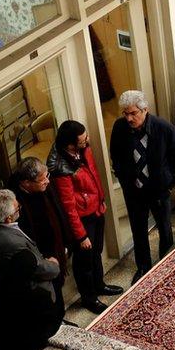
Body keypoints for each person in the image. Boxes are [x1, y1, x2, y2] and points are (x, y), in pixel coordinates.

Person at [0, 189, 62, 350]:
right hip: (27, 338)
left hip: (7, 347)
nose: (19, 210)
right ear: (8, 219)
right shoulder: (12, 244)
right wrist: (54, 266)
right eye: (17, 209)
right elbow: (42, 268)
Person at [109, 90, 175, 284]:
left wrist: (171, 182)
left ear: (145, 110)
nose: (129, 118)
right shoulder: (119, 128)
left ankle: (166, 265)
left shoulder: (162, 128)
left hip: (159, 190)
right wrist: (125, 180)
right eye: (125, 113)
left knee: (164, 228)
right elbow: (116, 156)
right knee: (138, 230)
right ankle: (143, 267)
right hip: (134, 191)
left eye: (133, 113)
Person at [47, 121, 122, 314]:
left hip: (95, 210)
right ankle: (89, 299)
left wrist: (101, 198)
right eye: (83, 139)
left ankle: (99, 285)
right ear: (71, 144)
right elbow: (68, 206)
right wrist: (80, 236)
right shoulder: (60, 168)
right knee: (84, 263)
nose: (88, 140)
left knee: (96, 252)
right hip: (82, 220)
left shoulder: (83, 149)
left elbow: (94, 174)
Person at [8, 157, 72, 277]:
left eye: (47, 176)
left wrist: (66, 241)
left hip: (57, 246)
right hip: (40, 255)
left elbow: (58, 210)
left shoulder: (45, 184)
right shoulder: (14, 202)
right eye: (42, 180)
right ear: (26, 183)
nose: (47, 181)